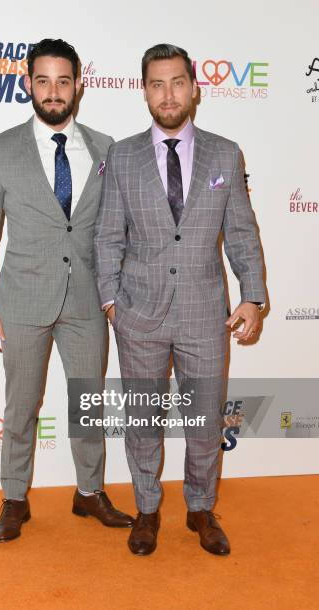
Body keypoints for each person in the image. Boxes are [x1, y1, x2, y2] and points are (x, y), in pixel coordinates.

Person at [94, 43, 265, 556]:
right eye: (156, 84)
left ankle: (200, 508)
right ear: (144, 90)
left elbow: (241, 232)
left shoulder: (225, 153)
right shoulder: (121, 155)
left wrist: (252, 295)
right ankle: (147, 510)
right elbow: (107, 236)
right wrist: (110, 303)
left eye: (176, 83)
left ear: (195, 88)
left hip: (203, 312)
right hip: (137, 314)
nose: (167, 95)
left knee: (205, 420)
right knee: (143, 420)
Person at [0, 38, 133, 543]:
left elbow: (119, 228)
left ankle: (88, 492)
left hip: (86, 300)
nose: (54, 91)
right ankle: (14, 497)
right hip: (20, 301)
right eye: (43, 80)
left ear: (79, 85)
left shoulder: (106, 148)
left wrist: (117, 293)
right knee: (21, 406)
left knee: (88, 403)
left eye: (64, 81)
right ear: (27, 84)